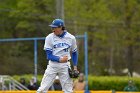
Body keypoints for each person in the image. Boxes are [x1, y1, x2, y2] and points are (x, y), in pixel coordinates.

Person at [37, 19, 79, 93]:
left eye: (55, 27)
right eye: (52, 27)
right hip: (52, 65)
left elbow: (74, 52)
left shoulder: (71, 38)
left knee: (68, 90)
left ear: (61, 27)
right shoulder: (49, 37)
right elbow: (49, 56)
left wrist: (75, 67)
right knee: (42, 89)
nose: (53, 29)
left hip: (65, 66)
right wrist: (60, 59)